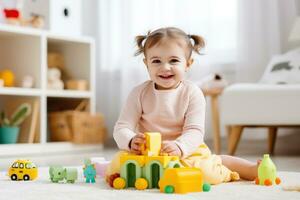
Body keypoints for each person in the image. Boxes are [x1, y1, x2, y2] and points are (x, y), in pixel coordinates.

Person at [107, 27, 257, 185]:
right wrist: (131, 140)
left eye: (173, 60)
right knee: (116, 166)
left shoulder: (193, 93)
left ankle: (223, 164)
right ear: (146, 64)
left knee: (205, 174)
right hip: (148, 154)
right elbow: (122, 127)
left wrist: (180, 147)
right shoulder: (138, 93)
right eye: (156, 61)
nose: (165, 67)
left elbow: (195, 131)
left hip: (185, 152)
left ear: (188, 64)